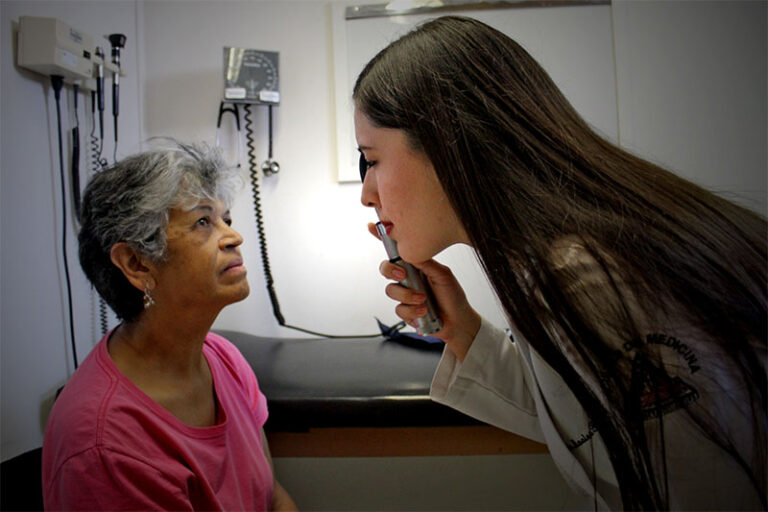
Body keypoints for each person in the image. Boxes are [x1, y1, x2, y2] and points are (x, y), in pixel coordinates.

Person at [355, 15, 766, 511]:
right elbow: (588, 422)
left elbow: (704, 493)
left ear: (446, 144)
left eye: (371, 159)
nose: (366, 195)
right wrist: (462, 330)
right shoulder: (544, 264)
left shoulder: (587, 279)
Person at [42, 141, 297, 511]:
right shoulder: (105, 445)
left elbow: (270, 496)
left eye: (226, 219)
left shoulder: (222, 358)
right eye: (203, 221)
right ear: (137, 263)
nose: (233, 236)